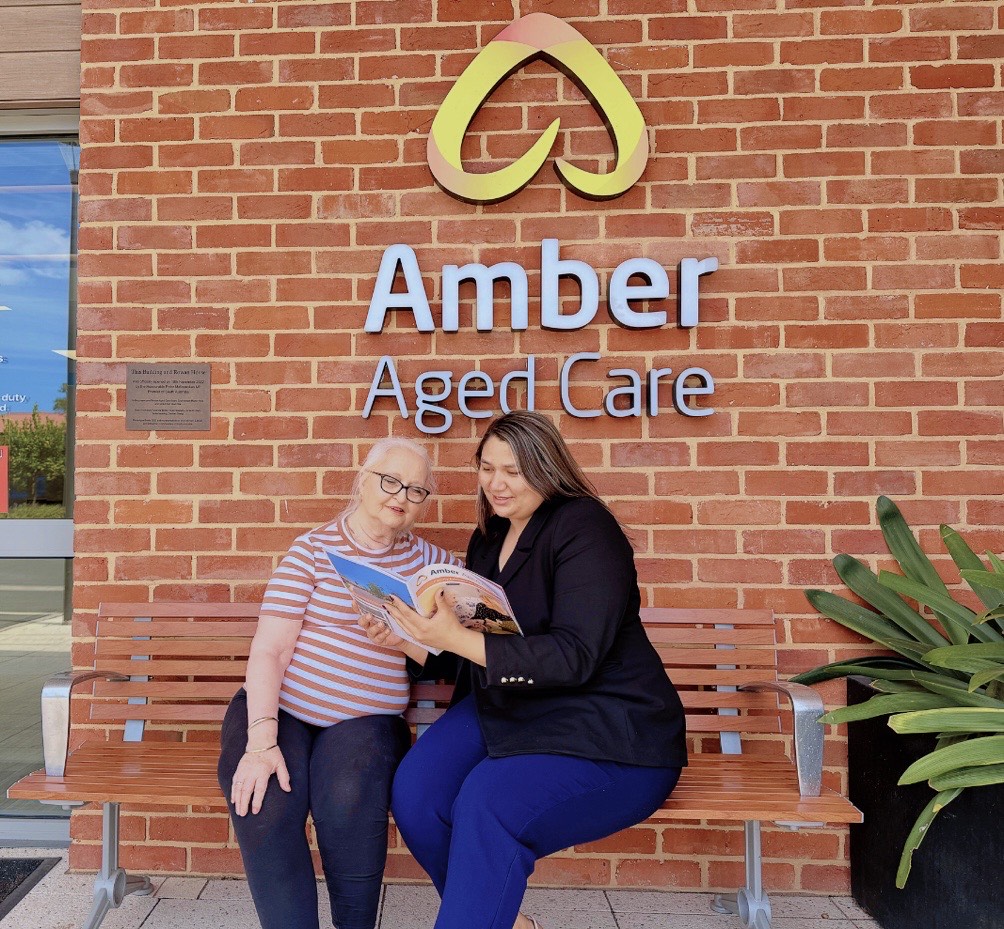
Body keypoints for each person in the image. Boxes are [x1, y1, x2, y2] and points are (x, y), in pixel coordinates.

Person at [364, 411, 687, 929]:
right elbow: (479, 645)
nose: (496, 484)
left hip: (607, 726)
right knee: (418, 794)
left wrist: (454, 637)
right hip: (515, 707)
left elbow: (574, 655)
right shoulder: (488, 538)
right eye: (487, 468)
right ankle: (501, 918)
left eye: (512, 471)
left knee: (487, 804)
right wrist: (411, 640)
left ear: (545, 467)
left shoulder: (586, 528)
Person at [217, 436, 460, 929]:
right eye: (389, 481)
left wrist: (407, 639)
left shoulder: (434, 569)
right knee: (264, 800)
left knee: (349, 798)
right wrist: (261, 741)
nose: (401, 496)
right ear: (362, 482)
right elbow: (270, 650)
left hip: (367, 721)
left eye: (416, 490)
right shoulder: (312, 550)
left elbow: (462, 651)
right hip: (281, 710)